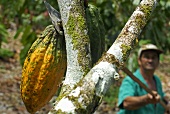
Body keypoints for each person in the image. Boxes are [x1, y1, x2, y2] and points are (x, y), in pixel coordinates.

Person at [118, 44, 170, 114]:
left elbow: (161, 98)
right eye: (147, 57)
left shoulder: (157, 80)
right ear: (139, 60)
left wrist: (167, 104)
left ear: (158, 62)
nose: (150, 60)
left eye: (154, 57)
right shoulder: (130, 81)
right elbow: (126, 103)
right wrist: (146, 99)